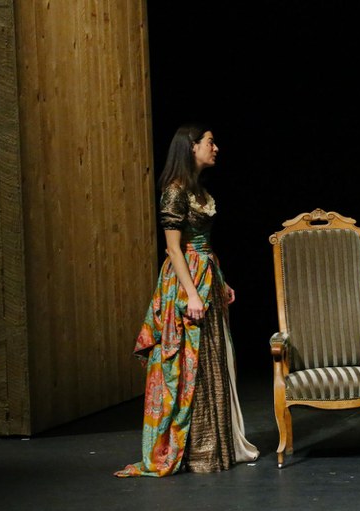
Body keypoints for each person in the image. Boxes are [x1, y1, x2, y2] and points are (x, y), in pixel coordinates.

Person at [115, 124, 259, 477]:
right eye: (210, 142)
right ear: (191, 147)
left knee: (209, 359)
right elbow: (174, 249)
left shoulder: (199, 191)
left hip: (206, 275)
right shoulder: (175, 192)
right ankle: (191, 449)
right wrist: (192, 293)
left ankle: (212, 447)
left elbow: (203, 245)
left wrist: (221, 282)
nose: (215, 147)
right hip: (185, 283)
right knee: (186, 362)